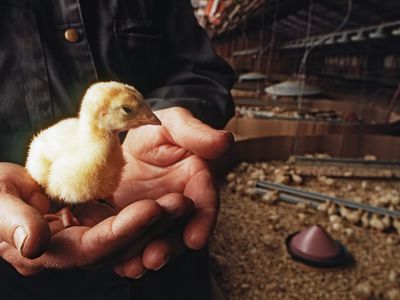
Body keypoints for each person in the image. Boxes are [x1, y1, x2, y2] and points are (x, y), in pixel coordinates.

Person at [0, 0, 235, 299]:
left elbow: (200, 70)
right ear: (101, 115)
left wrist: (179, 114)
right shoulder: (65, 144)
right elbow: (43, 164)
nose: (150, 118)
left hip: (165, 278)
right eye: (128, 112)